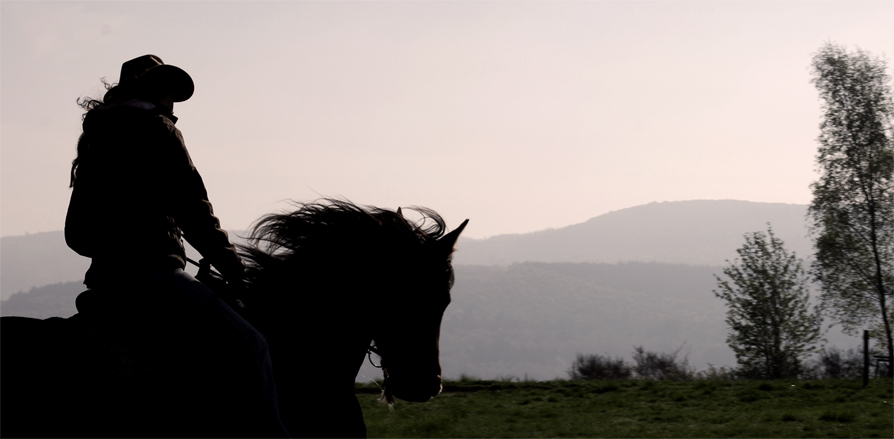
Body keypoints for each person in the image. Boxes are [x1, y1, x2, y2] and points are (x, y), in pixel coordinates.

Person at [65, 54, 289, 437]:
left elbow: (76, 234)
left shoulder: (94, 139)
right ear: (156, 91)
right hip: (154, 276)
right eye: (169, 91)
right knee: (252, 346)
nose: (172, 102)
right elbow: (194, 210)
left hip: (103, 282)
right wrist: (233, 267)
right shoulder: (158, 129)